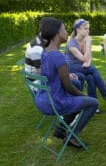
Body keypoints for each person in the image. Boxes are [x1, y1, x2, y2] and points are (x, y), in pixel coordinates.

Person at [35, 17, 98, 148]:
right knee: (92, 102)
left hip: (42, 98)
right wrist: (84, 95)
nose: (67, 33)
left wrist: (67, 76)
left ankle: (60, 129)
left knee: (76, 84)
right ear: (57, 34)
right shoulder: (59, 56)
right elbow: (68, 87)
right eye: (64, 29)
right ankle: (71, 136)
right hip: (54, 102)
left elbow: (45, 72)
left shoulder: (45, 52)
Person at [65, 19, 106, 113]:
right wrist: (88, 44)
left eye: (88, 29)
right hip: (71, 68)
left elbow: (88, 58)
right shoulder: (72, 43)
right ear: (78, 29)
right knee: (93, 69)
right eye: (85, 29)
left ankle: (94, 105)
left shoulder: (84, 40)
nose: (87, 31)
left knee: (90, 77)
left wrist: (87, 64)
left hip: (82, 67)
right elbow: (83, 58)